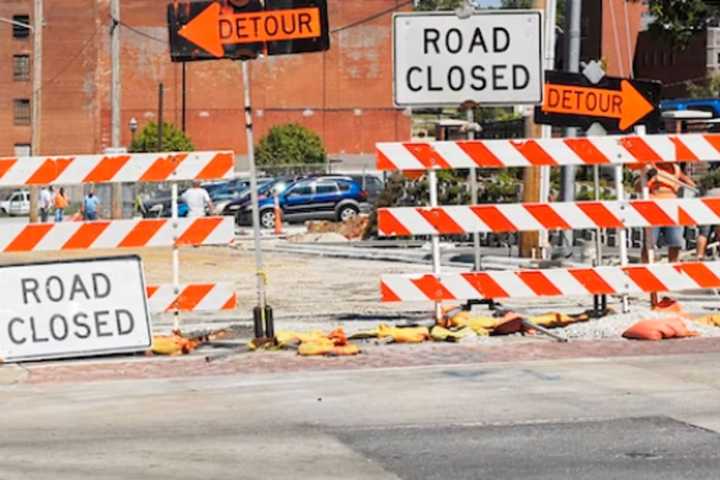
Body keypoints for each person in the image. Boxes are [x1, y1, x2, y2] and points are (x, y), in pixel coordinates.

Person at [639, 163, 696, 263]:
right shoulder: (650, 167)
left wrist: (696, 188)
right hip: (653, 209)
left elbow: (689, 182)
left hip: (672, 209)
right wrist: (647, 176)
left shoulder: (676, 168)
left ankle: (672, 267)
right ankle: (646, 267)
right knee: (649, 242)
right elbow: (638, 187)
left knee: (675, 242)